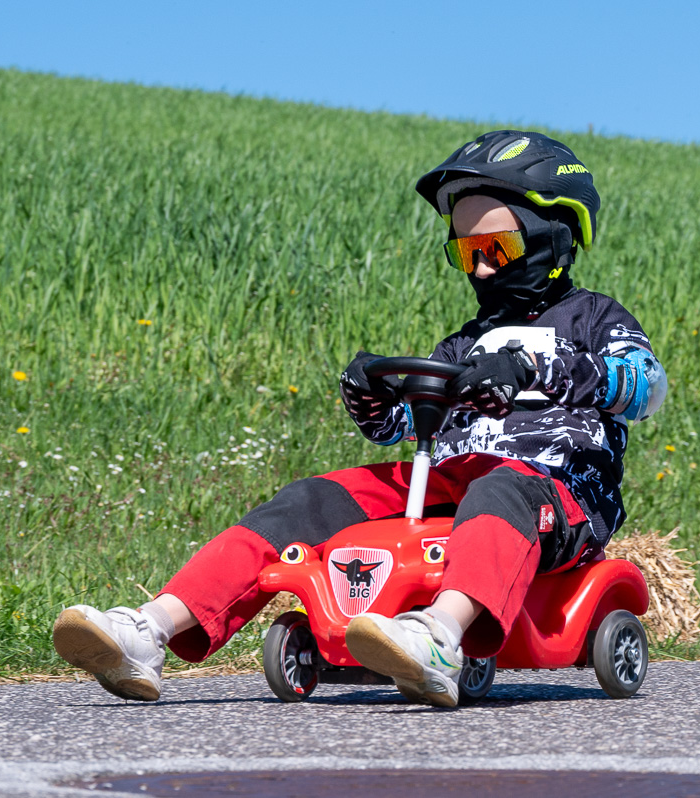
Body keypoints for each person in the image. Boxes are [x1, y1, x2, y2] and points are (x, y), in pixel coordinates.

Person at [53, 130, 667, 707]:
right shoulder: (464, 343)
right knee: (310, 500)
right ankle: (151, 629)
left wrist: (537, 370)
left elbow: (646, 387)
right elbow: (405, 425)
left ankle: (440, 635)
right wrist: (373, 398)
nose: (481, 268)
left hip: (557, 495)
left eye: (496, 248)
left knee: (499, 488)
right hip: (452, 480)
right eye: (467, 252)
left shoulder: (595, 318)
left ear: (553, 237)